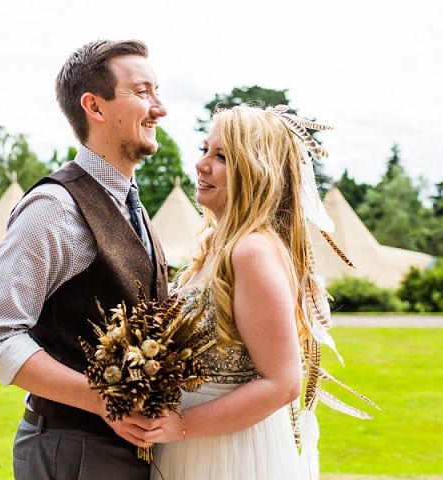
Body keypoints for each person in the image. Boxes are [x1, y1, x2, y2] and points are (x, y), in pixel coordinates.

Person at [0, 39, 170, 480]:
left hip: (123, 450)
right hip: (73, 451)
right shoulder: (54, 208)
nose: (160, 108)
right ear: (95, 107)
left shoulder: (131, 203)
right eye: (143, 92)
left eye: (158, 91)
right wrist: (102, 399)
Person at [145, 104, 338, 479]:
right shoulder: (216, 245)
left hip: (229, 452)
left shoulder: (251, 251)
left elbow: (283, 383)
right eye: (204, 150)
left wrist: (182, 425)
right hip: (190, 443)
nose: (201, 164)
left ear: (253, 170)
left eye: (221, 156)